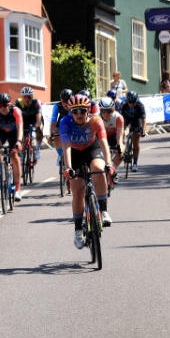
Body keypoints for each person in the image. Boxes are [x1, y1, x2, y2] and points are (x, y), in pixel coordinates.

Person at [60, 94, 114, 248]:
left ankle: (103, 211)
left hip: (92, 148)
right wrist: (69, 167)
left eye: (82, 111)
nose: (78, 114)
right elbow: (66, 146)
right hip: (74, 153)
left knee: (98, 169)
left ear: (88, 110)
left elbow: (103, 142)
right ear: (70, 111)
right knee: (77, 190)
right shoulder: (65, 123)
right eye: (75, 111)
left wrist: (109, 163)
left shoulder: (96, 120)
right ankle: (78, 230)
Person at [0, 93, 23, 203]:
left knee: (14, 157)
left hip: (14, 134)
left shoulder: (15, 111)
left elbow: (20, 128)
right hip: (1, 132)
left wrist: (19, 141)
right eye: (0, 106)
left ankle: (17, 189)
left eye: (5, 105)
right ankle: (0, 171)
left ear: (9, 104)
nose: (2, 108)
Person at [15, 86, 44, 164]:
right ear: (22, 97)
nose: (27, 99)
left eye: (29, 97)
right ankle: (22, 152)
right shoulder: (18, 102)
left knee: (40, 129)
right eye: (25, 97)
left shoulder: (36, 102)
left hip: (35, 118)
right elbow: (15, 118)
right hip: (24, 120)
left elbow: (38, 120)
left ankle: (37, 149)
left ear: (32, 97)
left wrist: (36, 128)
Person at [120, 91, 147, 171]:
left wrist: (143, 130)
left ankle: (135, 163)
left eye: (133, 103)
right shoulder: (124, 105)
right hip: (126, 120)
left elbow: (143, 120)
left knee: (136, 142)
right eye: (129, 103)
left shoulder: (140, 105)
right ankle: (124, 148)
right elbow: (120, 119)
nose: (131, 105)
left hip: (136, 121)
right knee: (121, 133)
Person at [98, 97, 125, 170]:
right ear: (100, 110)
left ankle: (113, 170)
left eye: (109, 111)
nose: (106, 114)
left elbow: (119, 137)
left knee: (121, 151)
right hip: (100, 138)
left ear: (113, 109)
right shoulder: (96, 118)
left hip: (114, 137)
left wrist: (119, 147)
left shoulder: (118, 118)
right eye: (103, 111)